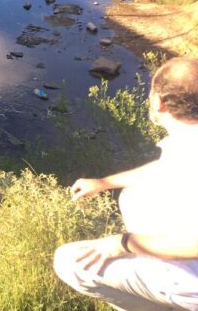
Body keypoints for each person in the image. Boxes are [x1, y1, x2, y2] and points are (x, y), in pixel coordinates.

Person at [54, 57, 198, 311]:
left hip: (190, 281)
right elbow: (166, 170)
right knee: (136, 195)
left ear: (158, 103)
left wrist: (122, 244)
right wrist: (104, 183)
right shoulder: (187, 143)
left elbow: (193, 242)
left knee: (70, 261)